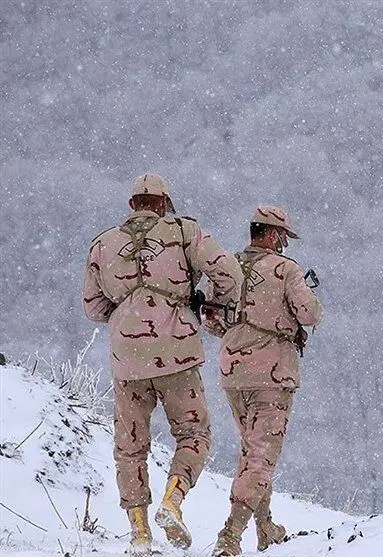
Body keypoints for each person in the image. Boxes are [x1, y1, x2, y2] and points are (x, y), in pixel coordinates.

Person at [82, 173, 243, 556]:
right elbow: (230, 273)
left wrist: (128, 315)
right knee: (194, 434)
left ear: (132, 205)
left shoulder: (103, 244)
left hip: (127, 362)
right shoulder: (185, 232)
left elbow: (93, 308)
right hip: (177, 355)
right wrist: (209, 304)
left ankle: (139, 532)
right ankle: (173, 501)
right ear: (164, 204)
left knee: (130, 446)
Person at [204, 205, 323, 557]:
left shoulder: (225, 267)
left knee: (251, 448)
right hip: (272, 373)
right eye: (283, 236)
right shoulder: (286, 270)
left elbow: (210, 322)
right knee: (261, 455)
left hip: (232, 373)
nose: (285, 242)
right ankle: (231, 534)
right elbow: (311, 313)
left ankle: (266, 526)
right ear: (272, 234)